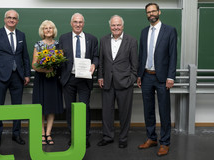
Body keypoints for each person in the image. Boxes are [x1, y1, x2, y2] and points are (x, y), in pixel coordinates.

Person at [0, 9, 31, 147]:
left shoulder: (21, 34)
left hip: (18, 77)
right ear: (5, 19)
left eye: (14, 18)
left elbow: (25, 57)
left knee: (17, 107)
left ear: (17, 21)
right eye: (9, 17)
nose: (12, 20)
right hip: (0, 77)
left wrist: (27, 74)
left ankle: (16, 134)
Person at [137, 3, 177, 156]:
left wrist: (170, 77)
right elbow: (142, 55)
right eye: (148, 12)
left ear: (159, 12)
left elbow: (173, 54)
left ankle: (165, 142)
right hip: (146, 76)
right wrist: (140, 75)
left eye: (153, 11)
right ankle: (151, 138)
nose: (151, 14)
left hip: (162, 78)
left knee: (164, 111)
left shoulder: (169, 30)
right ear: (146, 14)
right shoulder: (144, 32)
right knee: (148, 110)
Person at [97, 15, 138, 148]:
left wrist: (131, 79)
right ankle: (108, 136)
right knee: (106, 112)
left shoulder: (131, 41)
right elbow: (102, 61)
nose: (116, 27)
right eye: (113, 25)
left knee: (124, 112)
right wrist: (100, 77)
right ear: (110, 26)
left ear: (122, 26)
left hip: (125, 82)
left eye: (118, 25)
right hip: (107, 82)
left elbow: (134, 64)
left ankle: (123, 138)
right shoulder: (103, 40)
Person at [59, 13, 98, 148]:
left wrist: (94, 64)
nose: (78, 24)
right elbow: (60, 58)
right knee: (70, 109)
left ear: (84, 23)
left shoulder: (92, 39)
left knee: (84, 108)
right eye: (75, 22)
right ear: (71, 23)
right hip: (68, 79)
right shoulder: (63, 38)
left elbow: (96, 56)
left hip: (84, 79)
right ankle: (73, 135)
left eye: (80, 22)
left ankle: (85, 136)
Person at [32, 20, 64, 145]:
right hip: (41, 80)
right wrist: (46, 69)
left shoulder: (58, 45)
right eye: (46, 28)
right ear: (42, 31)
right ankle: (41, 133)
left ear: (54, 30)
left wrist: (54, 67)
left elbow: (61, 63)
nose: (48, 30)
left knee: (51, 107)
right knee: (41, 107)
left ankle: (48, 133)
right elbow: (34, 65)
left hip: (54, 80)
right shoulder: (38, 45)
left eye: (51, 28)